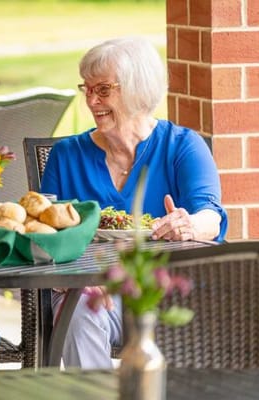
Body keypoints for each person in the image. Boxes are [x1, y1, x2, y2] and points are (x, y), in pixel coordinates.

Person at [40, 36, 227, 369]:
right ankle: (94, 393)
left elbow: (210, 217)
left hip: (166, 290)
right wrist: (74, 277)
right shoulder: (66, 156)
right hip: (94, 291)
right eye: (87, 89)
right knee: (78, 313)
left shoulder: (182, 146)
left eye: (103, 90)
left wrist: (187, 224)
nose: (91, 100)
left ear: (137, 90)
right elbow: (43, 235)